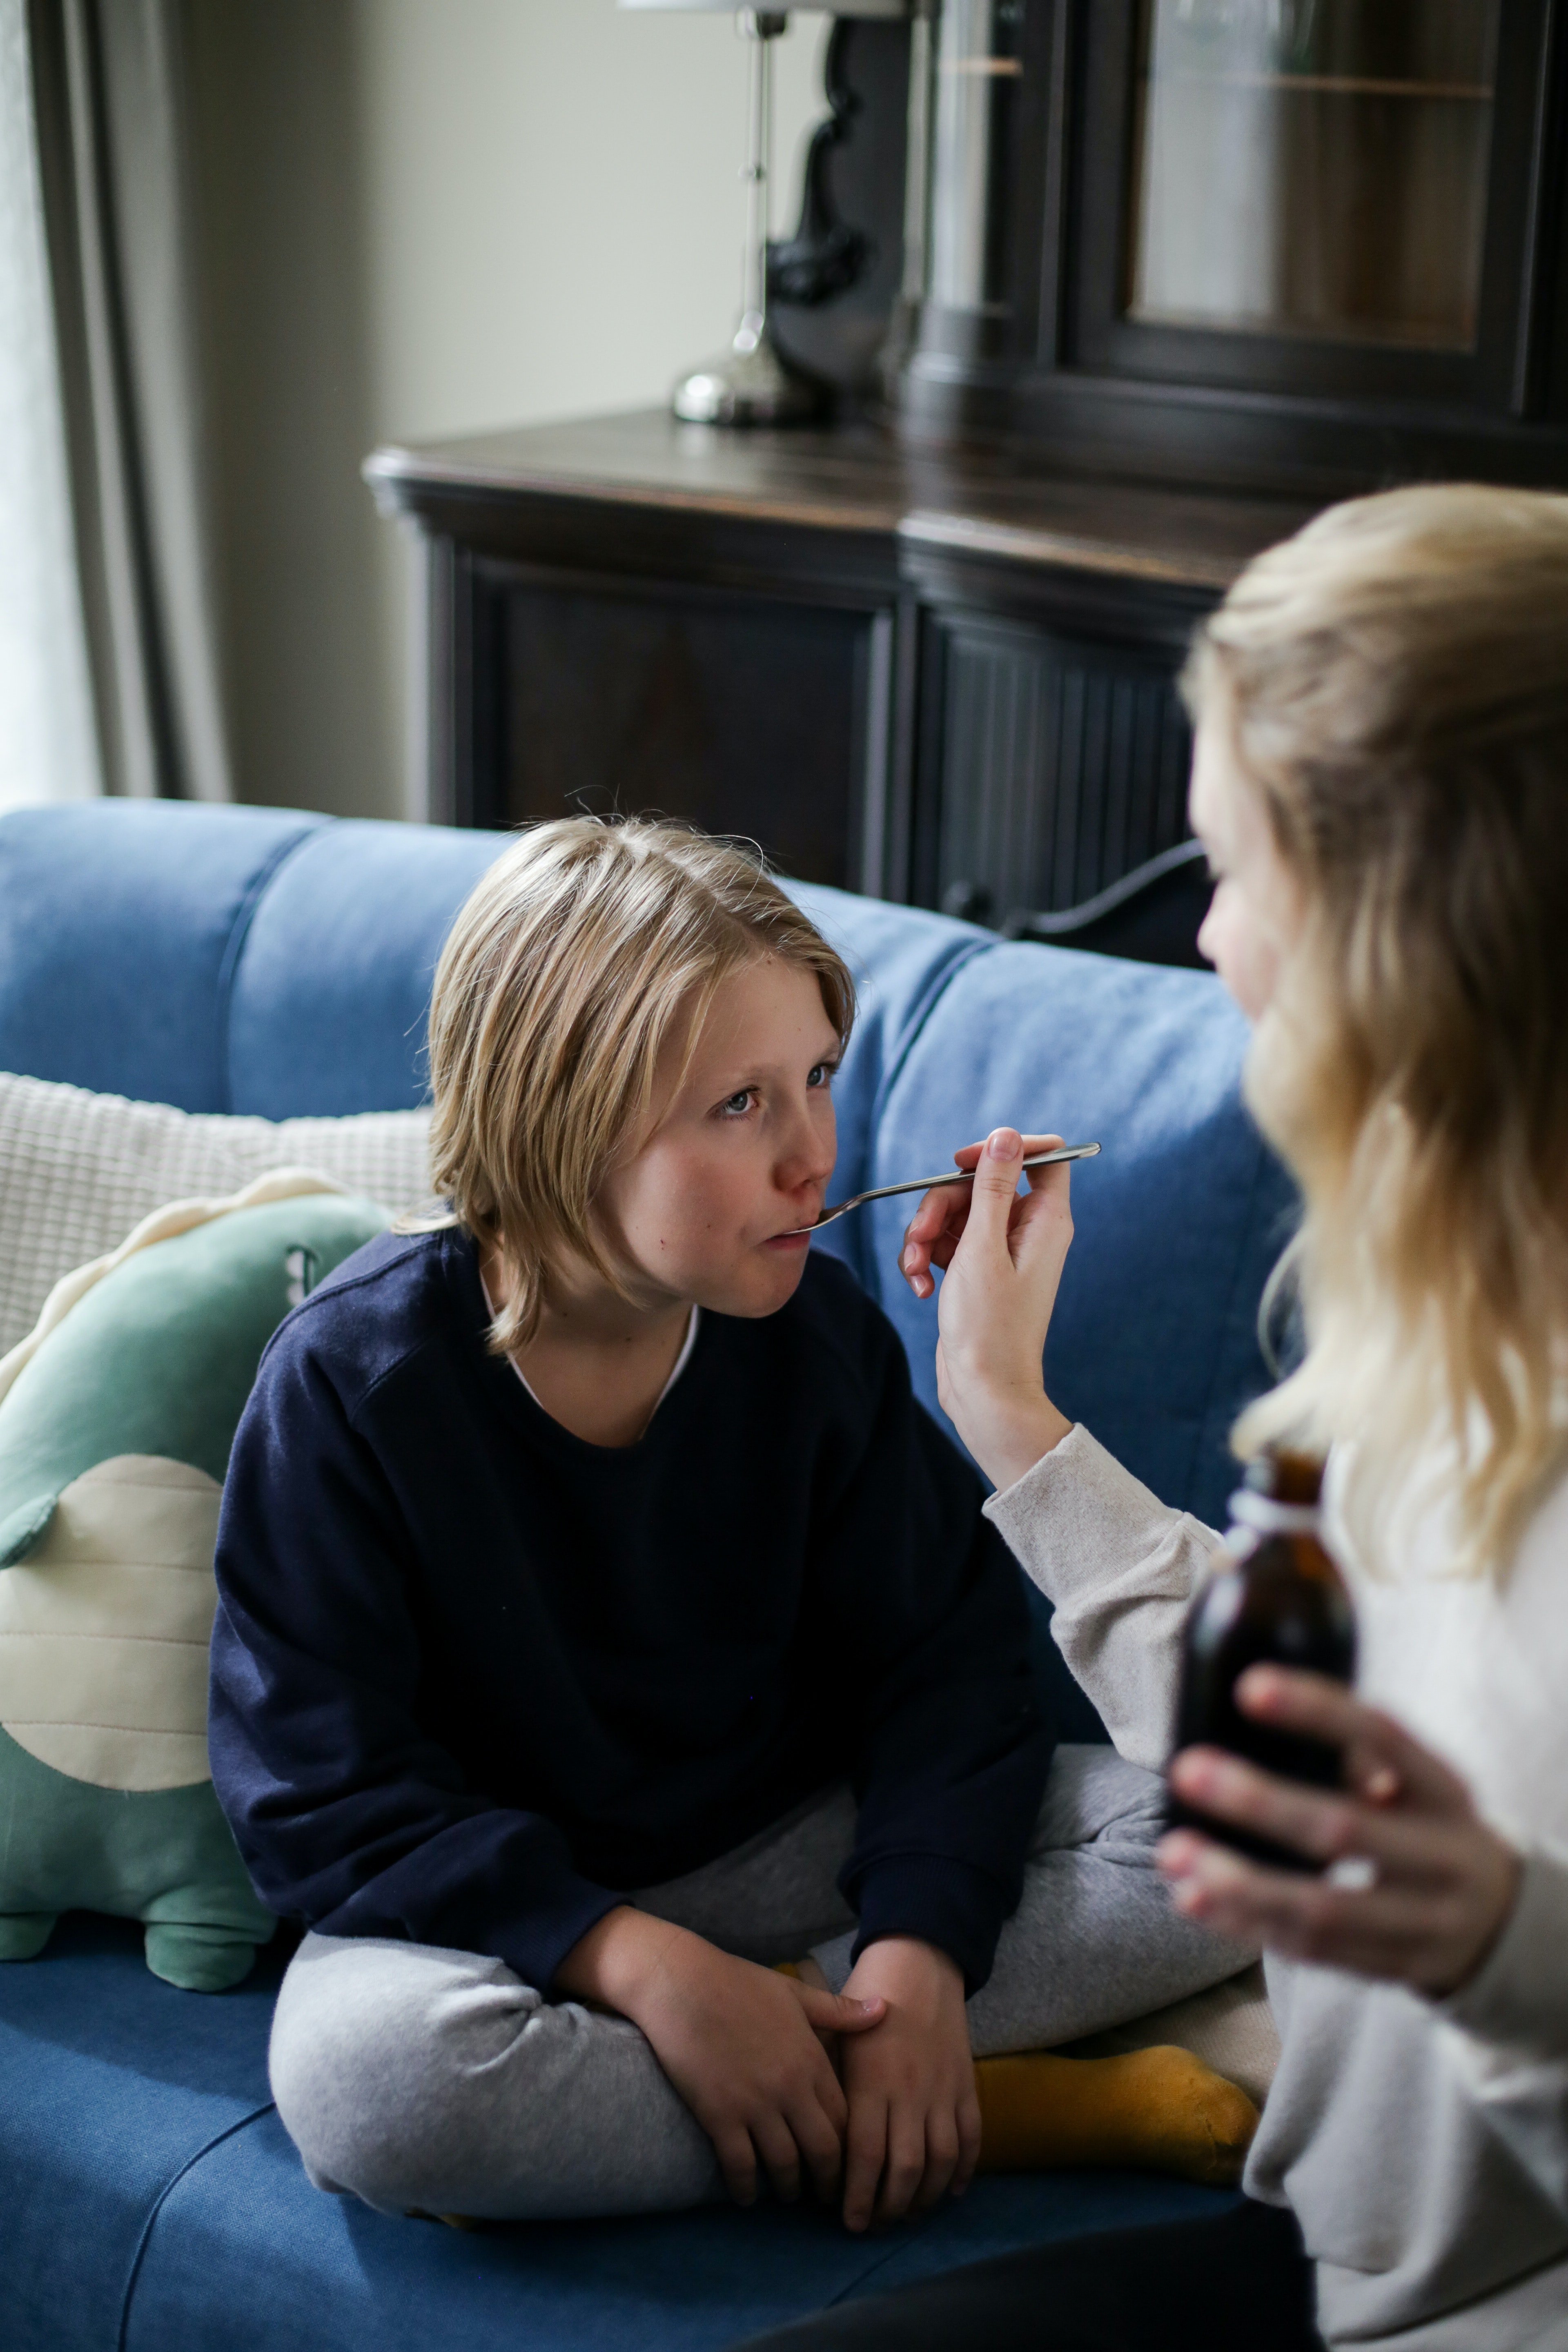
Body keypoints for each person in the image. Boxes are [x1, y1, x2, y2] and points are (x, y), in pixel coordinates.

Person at [748, 485, 1568, 2350]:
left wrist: (1494, 1946)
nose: (1207, 940)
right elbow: (1302, 1760)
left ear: (1409, 923)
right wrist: (1006, 1409)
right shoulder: (1417, 1315)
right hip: (1349, 2264)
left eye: (1234, 865)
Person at [207, 817, 1247, 2235]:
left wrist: (924, 1953)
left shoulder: (816, 1338)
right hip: (513, 1926)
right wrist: (626, 1959)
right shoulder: (351, 1387)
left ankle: (855, 2059)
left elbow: (947, 1673)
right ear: (560, 1117)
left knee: (1239, 1838)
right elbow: (314, 1794)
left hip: (794, 1850)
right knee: (378, 2090)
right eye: (741, 1106)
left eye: (818, 1078)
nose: (815, 1157)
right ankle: (950, 2106)